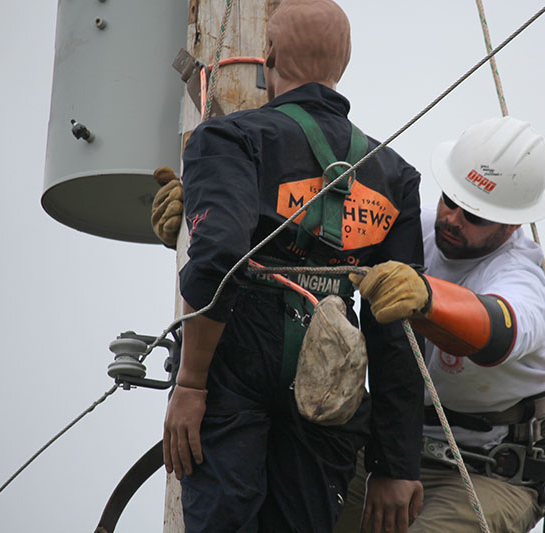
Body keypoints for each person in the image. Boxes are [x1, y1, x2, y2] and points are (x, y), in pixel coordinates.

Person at [158, 1, 425, 530]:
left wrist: (190, 385)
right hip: (330, 371)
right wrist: (395, 465)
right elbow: (396, 324)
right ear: (343, 62)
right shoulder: (394, 176)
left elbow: (217, 261)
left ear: (271, 53)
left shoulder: (230, 139)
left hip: (234, 360)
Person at [333, 115, 545, 532]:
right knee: (299, 506)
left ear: (512, 224)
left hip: (491, 473)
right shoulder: (413, 231)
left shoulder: (523, 278)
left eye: (475, 216)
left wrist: (428, 299)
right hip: (396, 445)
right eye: (450, 200)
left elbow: (497, 331)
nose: (453, 219)